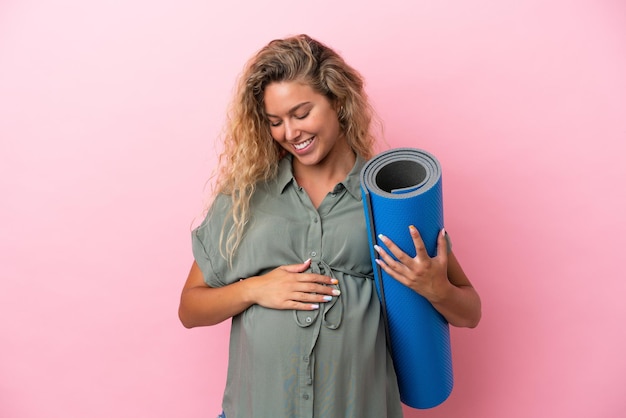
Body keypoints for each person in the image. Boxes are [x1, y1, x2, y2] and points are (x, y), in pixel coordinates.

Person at [178, 34, 481, 418]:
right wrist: (256, 288)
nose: (290, 133)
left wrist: (437, 289)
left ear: (338, 101)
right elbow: (190, 308)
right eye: (276, 122)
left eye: (301, 114)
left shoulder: (387, 199)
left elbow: (470, 313)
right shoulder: (247, 198)